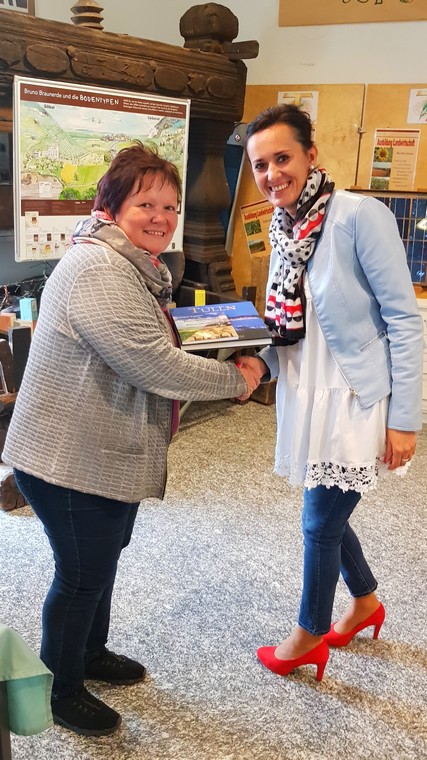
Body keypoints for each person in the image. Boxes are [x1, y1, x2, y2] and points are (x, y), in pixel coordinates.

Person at [2, 142, 261, 736]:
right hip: (69, 459)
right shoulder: (99, 269)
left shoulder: (133, 265)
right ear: (111, 207)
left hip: (101, 453)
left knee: (101, 559)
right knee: (81, 574)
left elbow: (154, 343)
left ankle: (89, 653)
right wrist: (237, 379)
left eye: (170, 206)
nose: (162, 218)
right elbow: (153, 362)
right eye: (147, 204)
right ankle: (60, 688)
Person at [238, 104, 423, 682]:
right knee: (326, 515)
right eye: (260, 165)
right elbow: (288, 327)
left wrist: (406, 418)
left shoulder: (358, 215)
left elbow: (404, 319)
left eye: (283, 158)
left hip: (351, 398)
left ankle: (308, 635)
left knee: (319, 523)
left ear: (311, 154)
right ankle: (365, 602)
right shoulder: (282, 228)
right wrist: (258, 364)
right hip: (304, 393)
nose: (272, 174)